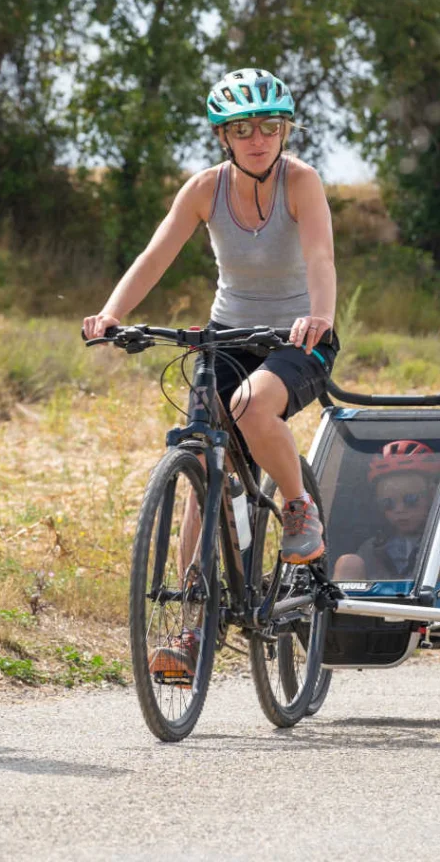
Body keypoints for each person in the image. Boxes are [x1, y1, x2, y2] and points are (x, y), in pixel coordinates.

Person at [83, 67, 339, 677]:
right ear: (223, 136)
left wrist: (320, 315)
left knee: (252, 405)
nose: (259, 139)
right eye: (243, 129)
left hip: (299, 337)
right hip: (226, 336)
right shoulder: (204, 189)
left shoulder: (301, 182)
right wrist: (114, 314)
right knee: (201, 460)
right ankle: (193, 626)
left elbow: (321, 256)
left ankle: (299, 507)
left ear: (285, 131)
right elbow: (156, 254)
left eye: (270, 127)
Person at [333, 440, 439, 581]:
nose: (399, 509)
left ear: (432, 495)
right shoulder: (371, 550)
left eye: (411, 500)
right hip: (373, 603)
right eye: (388, 503)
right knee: (348, 564)